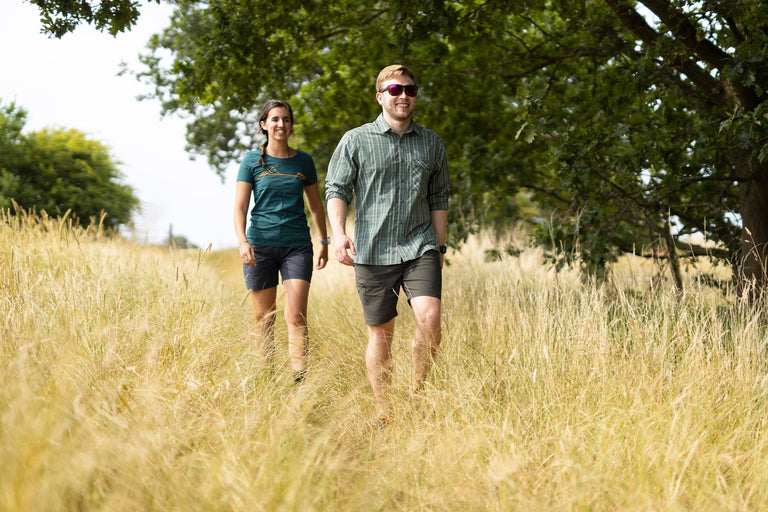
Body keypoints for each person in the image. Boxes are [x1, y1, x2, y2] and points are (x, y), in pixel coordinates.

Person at [325, 65, 449, 425]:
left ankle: (417, 394)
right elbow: (337, 189)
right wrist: (338, 232)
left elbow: (439, 195)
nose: (403, 96)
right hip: (373, 250)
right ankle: (385, 411)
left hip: (420, 245)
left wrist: (439, 247)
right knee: (382, 334)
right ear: (380, 96)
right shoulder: (356, 140)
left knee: (430, 319)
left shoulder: (432, 142)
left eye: (410, 90)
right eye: (395, 89)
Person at [234, 100, 328, 383]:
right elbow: (239, 207)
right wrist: (242, 242)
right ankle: (266, 378)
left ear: (291, 125)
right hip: (260, 244)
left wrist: (324, 240)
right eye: (275, 119)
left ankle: (300, 380)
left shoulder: (304, 161)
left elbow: (315, 206)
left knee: (296, 316)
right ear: (264, 125)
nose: (281, 124)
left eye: (286, 119)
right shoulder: (251, 161)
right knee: (264, 319)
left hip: (296, 246)